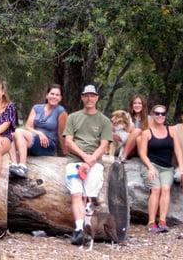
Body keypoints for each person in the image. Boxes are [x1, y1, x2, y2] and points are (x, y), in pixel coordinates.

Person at [64, 84, 112, 245]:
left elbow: (104, 145)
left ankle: (87, 228)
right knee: (76, 194)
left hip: (95, 163)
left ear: (97, 98)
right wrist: (84, 157)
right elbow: (68, 141)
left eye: (92, 95)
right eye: (87, 95)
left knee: (89, 196)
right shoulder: (73, 117)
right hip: (75, 161)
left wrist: (90, 161)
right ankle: (78, 229)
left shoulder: (104, 120)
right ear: (82, 97)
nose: (90, 98)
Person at [139, 104, 183, 233]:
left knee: (165, 189)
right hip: (151, 165)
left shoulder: (172, 131)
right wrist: (150, 167)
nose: (160, 116)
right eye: (157, 113)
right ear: (152, 115)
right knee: (156, 188)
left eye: (162, 114)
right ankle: (151, 222)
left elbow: (178, 150)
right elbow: (142, 153)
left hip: (166, 168)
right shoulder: (147, 133)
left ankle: (162, 221)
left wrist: (181, 167)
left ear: (165, 116)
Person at [9, 84, 68, 178]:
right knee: (11, 134)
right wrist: (39, 133)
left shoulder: (61, 111)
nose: (54, 96)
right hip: (34, 140)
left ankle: (23, 167)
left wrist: (66, 154)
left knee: (18, 131)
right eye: (52, 93)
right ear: (47, 95)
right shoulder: (37, 108)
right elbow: (28, 127)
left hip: (47, 144)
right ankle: (14, 165)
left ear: (60, 98)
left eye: (57, 95)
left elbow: (62, 134)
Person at [119, 94, 149, 161]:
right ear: (131, 105)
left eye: (139, 103)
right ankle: (123, 156)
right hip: (127, 147)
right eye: (134, 103)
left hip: (141, 147)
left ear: (143, 106)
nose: (137, 105)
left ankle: (123, 156)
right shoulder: (126, 117)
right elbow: (117, 132)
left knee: (137, 131)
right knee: (135, 129)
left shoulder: (149, 119)